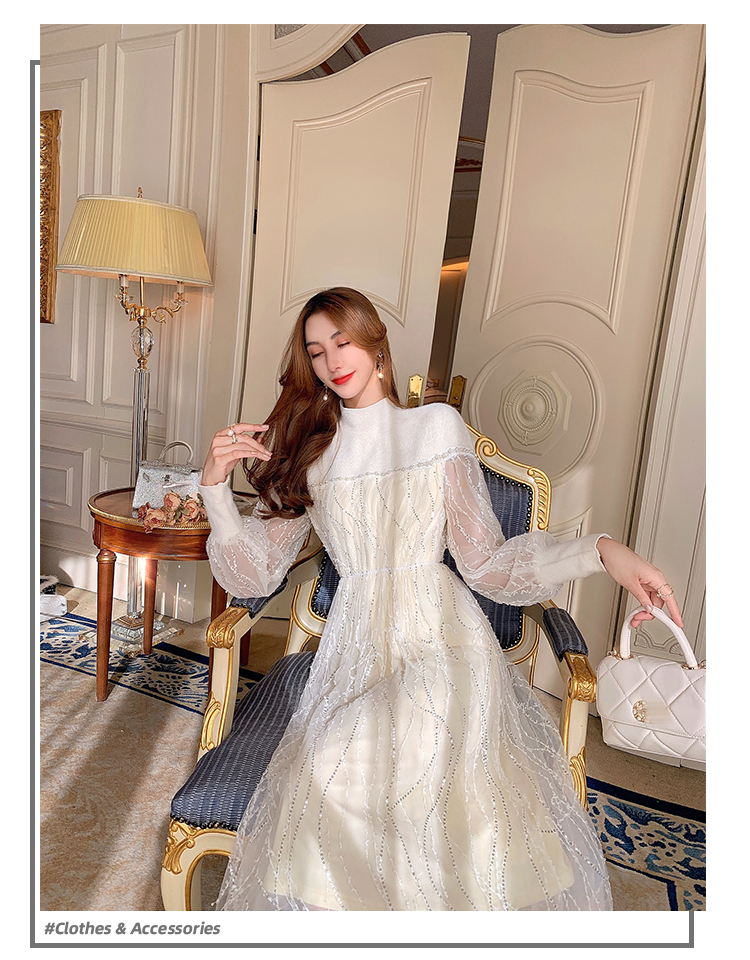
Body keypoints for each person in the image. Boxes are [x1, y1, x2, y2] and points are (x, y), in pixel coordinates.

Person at [198, 287, 682, 911]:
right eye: (316, 352)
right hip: (356, 648)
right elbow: (252, 574)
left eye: (343, 342)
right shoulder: (313, 455)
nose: (332, 361)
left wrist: (604, 553)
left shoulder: (435, 428)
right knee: (325, 764)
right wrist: (214, 488)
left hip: (440, 640)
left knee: (409, 749)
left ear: (376, 346)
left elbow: (488, 563)